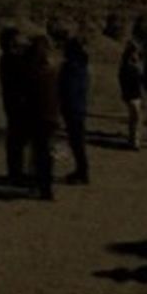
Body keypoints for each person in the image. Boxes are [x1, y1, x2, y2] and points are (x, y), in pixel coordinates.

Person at [25, 36, 59, 200]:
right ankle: (43, 186)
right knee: (45, 154)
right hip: (48, 116)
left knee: (40, 153)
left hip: (39, 116)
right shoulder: (51, 71)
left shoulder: (32, 71)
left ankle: (40, 186)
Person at [0, 27, 30, 184]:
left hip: (14, 104)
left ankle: (15, 171)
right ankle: (16, 173)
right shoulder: (11, 60)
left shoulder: (8, 59)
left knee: (16, 140)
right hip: (17, 104)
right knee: (17, 140)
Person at [58, 37, 90, 184]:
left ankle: (82, 172)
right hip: (79, 107)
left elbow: (67, 89)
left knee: (76, 142)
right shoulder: (82, 66)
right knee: (78, 142)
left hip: (72, 108)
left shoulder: (71, 68)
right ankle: (81, 170)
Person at [117, 41, 143, 151]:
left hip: (134, 94)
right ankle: (134, 142)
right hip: (132, 94)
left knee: (134, 118)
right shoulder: (128, 67)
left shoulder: (132, 66)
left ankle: (133, 140)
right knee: (136, 118)